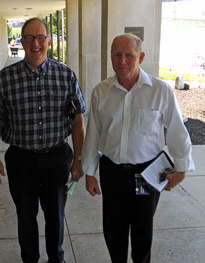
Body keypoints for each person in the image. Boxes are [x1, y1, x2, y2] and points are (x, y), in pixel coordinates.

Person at [82, 33, 195, 263]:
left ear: (140, 57)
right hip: (112, 172)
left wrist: (181, 169)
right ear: (110, 57)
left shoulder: (160, 90)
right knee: (114, 232)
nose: (121, 61)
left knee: (143, 234)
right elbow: (93, 135)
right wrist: (90, 173)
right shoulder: (101, 92)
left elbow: (176, 131)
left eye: (128, 55)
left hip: (146, 174)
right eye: (116, 55)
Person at [0, 17, 86, 263]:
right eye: (29, 37)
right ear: (21, 41)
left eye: (41, 38)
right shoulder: (5, 78)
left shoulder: (66, 75)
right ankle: (29, 259)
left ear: (49, 42)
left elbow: (78, 121)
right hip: (21, 159)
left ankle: (56, 258)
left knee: (56, 215)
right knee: (25, 216)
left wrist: (78, 160)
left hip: (57, 157)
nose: (35, 43)